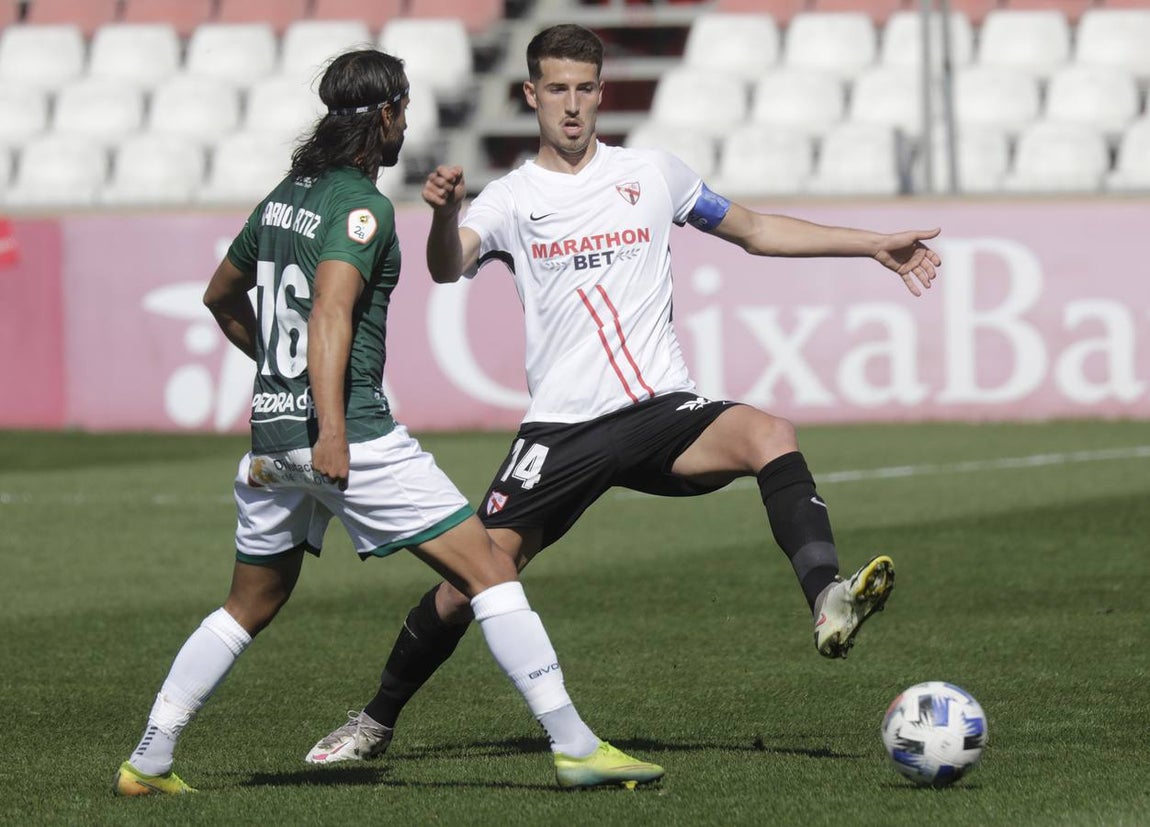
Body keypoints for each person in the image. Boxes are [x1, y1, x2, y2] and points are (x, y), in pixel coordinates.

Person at [307, 25, 941, 767]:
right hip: (561, 434)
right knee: (468, 584)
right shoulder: (511, 198)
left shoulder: (653, 175)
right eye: (556, 90)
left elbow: (757, 229)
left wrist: (870, 244)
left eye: (584, 89)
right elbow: (449, 267)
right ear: (530, 95)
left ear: (601, 93)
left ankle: (827, 595)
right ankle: (376, 721)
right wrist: (446, 215)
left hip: (660, 414)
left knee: (770, 432)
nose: (571, 107)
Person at [112, 47, 663, 797]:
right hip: (351, 434)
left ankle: (148, 758)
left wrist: (280, 374)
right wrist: (333, 425)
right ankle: (574, 746)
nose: (408, 119)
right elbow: (333, 311)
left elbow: (220, 294)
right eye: (402, 105)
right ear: (385, 116)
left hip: (273, 436)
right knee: (489, 569)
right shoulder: (359, 204)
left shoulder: (284, 196)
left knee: (250, 602)